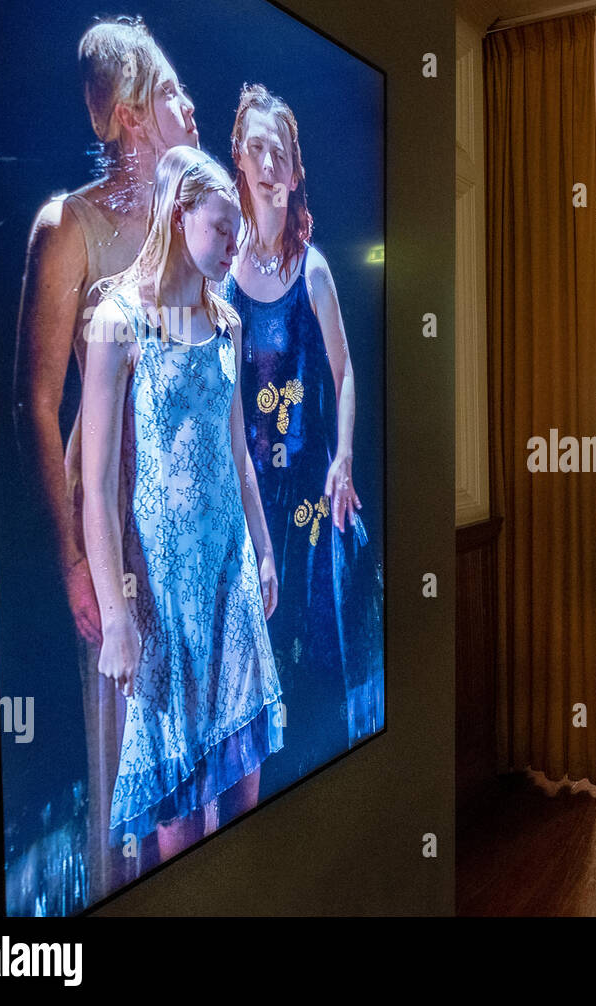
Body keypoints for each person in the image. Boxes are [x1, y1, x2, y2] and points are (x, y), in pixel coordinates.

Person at [12, 14, 198, 897]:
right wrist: (74, 562)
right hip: (115, 536)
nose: (188, 107)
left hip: (194, 533)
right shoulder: (69, 228)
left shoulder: (193, 226)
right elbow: (34, 405)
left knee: (198, 756)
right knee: (130, 759)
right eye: (169, 94)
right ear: (128, 113)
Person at [81, 145, 283, 860]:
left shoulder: (228, 323)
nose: (236, 245)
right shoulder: (117, 321)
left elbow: (239, 458)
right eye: (223, 228)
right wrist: (115, 619)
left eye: (239, 232)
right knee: (180, 817)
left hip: (230, 577)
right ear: (178, 213)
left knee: (244, 791)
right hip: (165, 595)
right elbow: (99, 491)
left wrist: (263, 550)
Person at [222, 83, 383, 766]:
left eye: (278, 151)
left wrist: (343, 455)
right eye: (255, 147)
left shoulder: (312, 270)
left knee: (321, 668)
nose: (267, 162)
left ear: (294, 171)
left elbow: (346, 376)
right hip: (244, 499)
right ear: (239, 159)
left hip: (310, 502)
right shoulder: (219, 270)